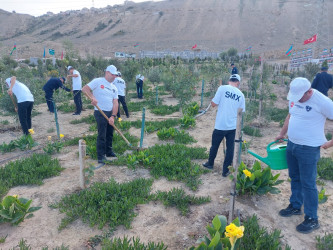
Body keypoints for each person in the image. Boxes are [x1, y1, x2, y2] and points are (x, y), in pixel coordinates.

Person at [275, 77, 333, 234]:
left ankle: (312, 218)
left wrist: (330, 143)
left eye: (300, 96)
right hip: (292, 144)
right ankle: (295, 206)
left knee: (308, 183)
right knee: (295, 177)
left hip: (309, 149)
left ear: (309, 91)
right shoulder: (295, 97)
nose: (297, 100)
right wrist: (282, 133)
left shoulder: (323, 101)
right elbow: (290, 115)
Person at [202, 74, 245, 177]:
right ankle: (225, 171)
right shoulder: (241, 95)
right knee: (230, 149)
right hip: (233, 127)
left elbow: (213, 104)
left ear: (229, 80)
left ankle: (210, 164)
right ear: (238, 83)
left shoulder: (222, 88)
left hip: (220, 125)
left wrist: (214, 100)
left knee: (214, 146)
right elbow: (241, 112)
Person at [82, 65, 119, 164]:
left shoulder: (114, 87)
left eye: (115, 75)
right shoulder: (98, 81)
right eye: (112, 74)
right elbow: (85, 89)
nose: (114, 77)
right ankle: (101, 156)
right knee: (102, 134)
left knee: (110, 133)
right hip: (100, 112)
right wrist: (92, 97)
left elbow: (115, 102)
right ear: (107, 73)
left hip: (110, 113)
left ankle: (109, 151)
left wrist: (113, 116)